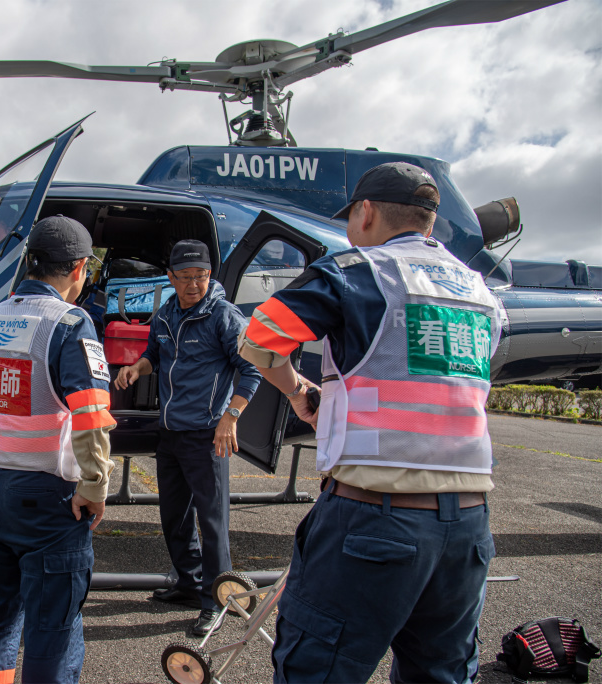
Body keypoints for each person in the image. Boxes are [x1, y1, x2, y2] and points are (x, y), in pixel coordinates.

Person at [238, 162, 503, 684]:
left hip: (375, 520)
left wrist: (297, 391)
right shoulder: (483, 294)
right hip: (468, 528)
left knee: (317, 668)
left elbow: (262, 338)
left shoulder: (357, 272)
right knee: (442, 673)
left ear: (366, 212)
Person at [0, 215, 116, 684]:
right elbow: (92, 415)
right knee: (52, 626)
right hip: (48, 500)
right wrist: (95, 484)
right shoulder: (70, 323)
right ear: (79, 267)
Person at [114, 239, 262, 637]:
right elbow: (154, 356)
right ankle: (188, 583)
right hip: (171, 432)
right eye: (185, 277)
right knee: (174, 516)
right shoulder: (165, 314)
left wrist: (230, 418)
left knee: (212, 523)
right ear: (171, 277)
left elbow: (252, 371)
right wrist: (135, 369)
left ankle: (215, 600)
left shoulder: (224, 317)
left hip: (208, 435)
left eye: (201, 276)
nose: (194, 284)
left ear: (209, 276)